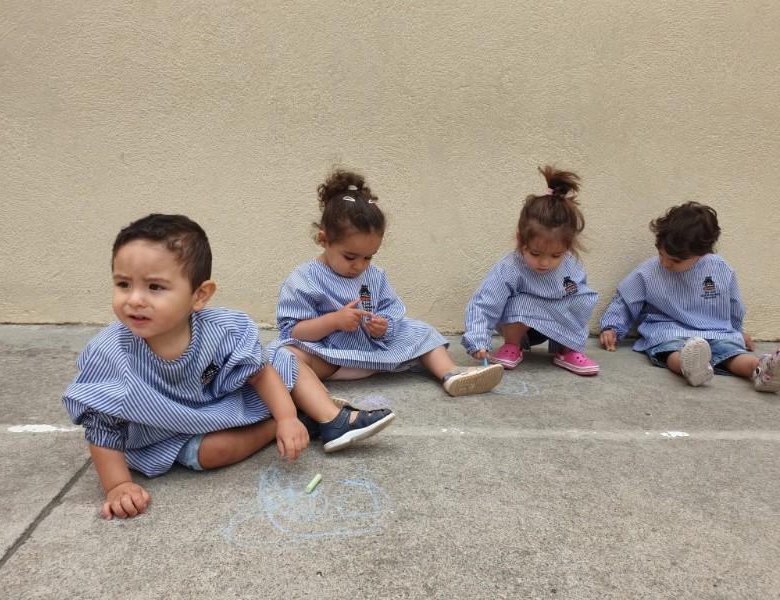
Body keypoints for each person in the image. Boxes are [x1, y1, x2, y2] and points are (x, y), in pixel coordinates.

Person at [63, 214, 394, 520]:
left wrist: (286, 418)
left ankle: (322, 419)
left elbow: (259, 373)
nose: (134, 299)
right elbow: (103, 427)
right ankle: (298, 422)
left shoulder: (223, 330)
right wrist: (118, 485)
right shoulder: (109, 355)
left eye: (155, 287)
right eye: (123, 284)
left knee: (282, 359)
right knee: (215, 452)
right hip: (163, 428)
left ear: (199, 295)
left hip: (220, 401)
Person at [267, 169, 503, 397]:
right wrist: (333, 321)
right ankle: (315, 396)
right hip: (331, 358)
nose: (359, 265)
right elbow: (293, 330)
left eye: (368, 257)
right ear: (323, 239)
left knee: (423, 332)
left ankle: (451, 374)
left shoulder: (375, 275)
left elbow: (391, 308)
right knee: (287, 355)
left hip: (375, 351)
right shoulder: (303, 279)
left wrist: (384, 325)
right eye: (350, 257)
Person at [599, 202, 780, 391]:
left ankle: (762, 370)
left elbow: (734, 304)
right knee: (671, 349)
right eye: (661, 254)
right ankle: (690, 368)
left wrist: (737, 330)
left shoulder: (720, 269)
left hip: (715, 330)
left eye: (675, 260)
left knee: (731, 350)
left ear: (701, 255)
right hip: (668, 328)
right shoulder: (648, 271)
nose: (665, 263)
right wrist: (612, 327)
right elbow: (626, 299)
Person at [462, 166, 600, 375]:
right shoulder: (510, 266)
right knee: (519, 301)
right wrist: (478, 339)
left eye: (556, 255)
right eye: (535, 253)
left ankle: (567, 350)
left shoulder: (571, 265)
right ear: (521, 239)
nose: (544, 262)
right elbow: (485, 301)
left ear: (568, 246)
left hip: (558, 323)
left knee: (580, 298)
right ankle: (512, 345)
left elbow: (577, 299)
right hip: (522, 324)